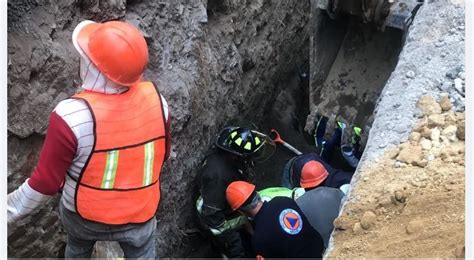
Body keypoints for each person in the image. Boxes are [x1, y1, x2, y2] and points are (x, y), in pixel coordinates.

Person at [7, 20, 171, 258]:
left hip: (85, 218)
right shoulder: (159, 102)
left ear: (94, 66)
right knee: (143, 252)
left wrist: (7, 211)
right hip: (140, 214)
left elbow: (45, 183)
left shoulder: (70, 116)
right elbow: (162, 155)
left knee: (77, 248)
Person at [195, 127, 275, 257]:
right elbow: (212, 216)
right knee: (237, 249)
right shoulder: (217, 177)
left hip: (224, 206)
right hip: (214, 219)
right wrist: (242, 221)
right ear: (235, 156)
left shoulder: (229, 161)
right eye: (248, 157)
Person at [226, 181, 325, 258]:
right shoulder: (283, 200)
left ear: (241, 212)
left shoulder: (259, 239)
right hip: (320, 248)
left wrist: (252, 233)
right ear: (257, 194)